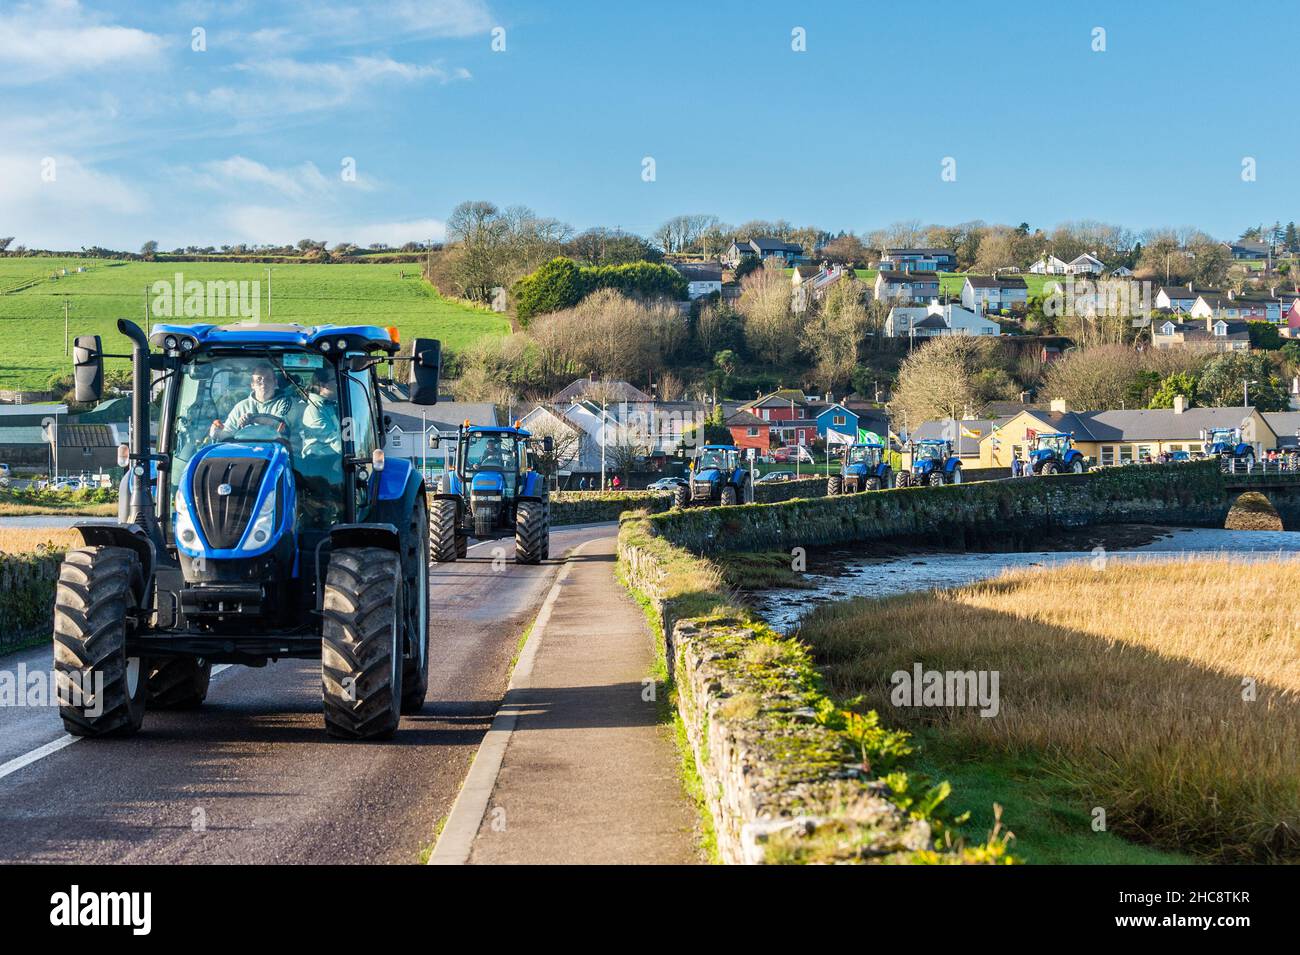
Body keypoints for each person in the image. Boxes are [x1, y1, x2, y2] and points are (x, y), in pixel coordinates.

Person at [211, 360, 293, 438]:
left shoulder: (285, 403)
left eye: (268, 379)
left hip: (281, 449)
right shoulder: (240, 407)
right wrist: (217, 433)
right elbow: (228, 434)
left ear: (275, 382)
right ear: (252, 385)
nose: (263, 383)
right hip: (246, 451)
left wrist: (253, 418)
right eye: (259, 379)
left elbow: (281, 424)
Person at [300, 369, 342, 457]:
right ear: (323, 385)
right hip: (320, 464)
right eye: (336, 379)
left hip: (336, 460)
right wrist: (357, 452)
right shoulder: (313, 410)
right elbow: (335, 442)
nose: (340, 382)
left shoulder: (331, 405)